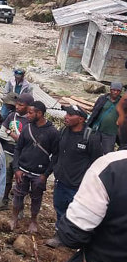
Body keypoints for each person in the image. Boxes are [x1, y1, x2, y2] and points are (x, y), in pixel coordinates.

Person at [41, 94, 127, 262]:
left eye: (120, 115)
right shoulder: (64, 134)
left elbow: (73, 236)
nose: (117, 122)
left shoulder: (111, 167)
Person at [45, 105, 103, 248]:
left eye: (71, 115)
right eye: (66, 114)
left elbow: (97, 162)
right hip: (61, 181)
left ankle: (77, 240)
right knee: (59, 209)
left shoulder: (91, 137)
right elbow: (57, 153)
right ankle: (60, 235)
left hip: (78, 185)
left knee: (77, 214)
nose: (66, 117)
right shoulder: (64, 131)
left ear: (81, 119)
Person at [10, 101, 59, 233]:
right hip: (23, 170)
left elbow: (55, 156)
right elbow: (18, 148)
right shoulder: (27, 128)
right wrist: (16, 169)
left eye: (30, 113)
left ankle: (33, 220)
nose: (27, 115)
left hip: (39, 173)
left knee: (36, 198)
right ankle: (14, 218)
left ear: (40, 113)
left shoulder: (52, 132)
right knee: (18, 195)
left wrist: (46, 174)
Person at [0, 93, 33, 211]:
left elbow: (26, 140)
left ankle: (19, 208)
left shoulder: (30, 120)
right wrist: (17, 138)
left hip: (22, 155)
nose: (17, 107)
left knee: (21, 182)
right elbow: (1, 132)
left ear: (28, 106)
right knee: (5, 179)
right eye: (17, 104)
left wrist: (10, 133)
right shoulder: (11, 116)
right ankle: (3, 201)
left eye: (21, 105)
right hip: (8, 152)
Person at [86, 81, 123, 153]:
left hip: (111, 133)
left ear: (120, 92)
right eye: (114, 90)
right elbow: (95, 111)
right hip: (97, 129)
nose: (115, 92)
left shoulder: (122, 103)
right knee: (93, 149)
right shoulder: (103, 99)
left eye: (118, 91)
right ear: (110, 90)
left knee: (108, 152)